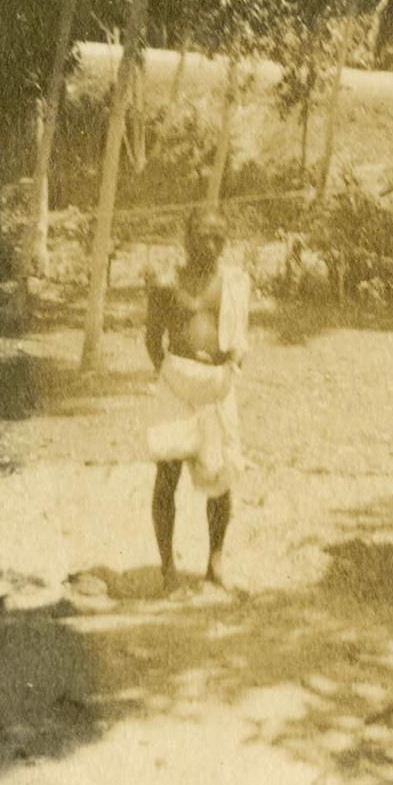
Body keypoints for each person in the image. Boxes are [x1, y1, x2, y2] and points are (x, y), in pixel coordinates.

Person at [145, 211, 248, 590]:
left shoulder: (233, 284)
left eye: (219, 238)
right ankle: (167, 565)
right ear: (187, 238)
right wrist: (174, 375)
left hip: (217, 389)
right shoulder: (167, 284)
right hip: (177, 387)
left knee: (221, 478)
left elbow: (240, 340)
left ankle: (215, 561)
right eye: (204, 237)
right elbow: (152, 340)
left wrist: (228, 365)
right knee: (167, 474)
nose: (212, 245)